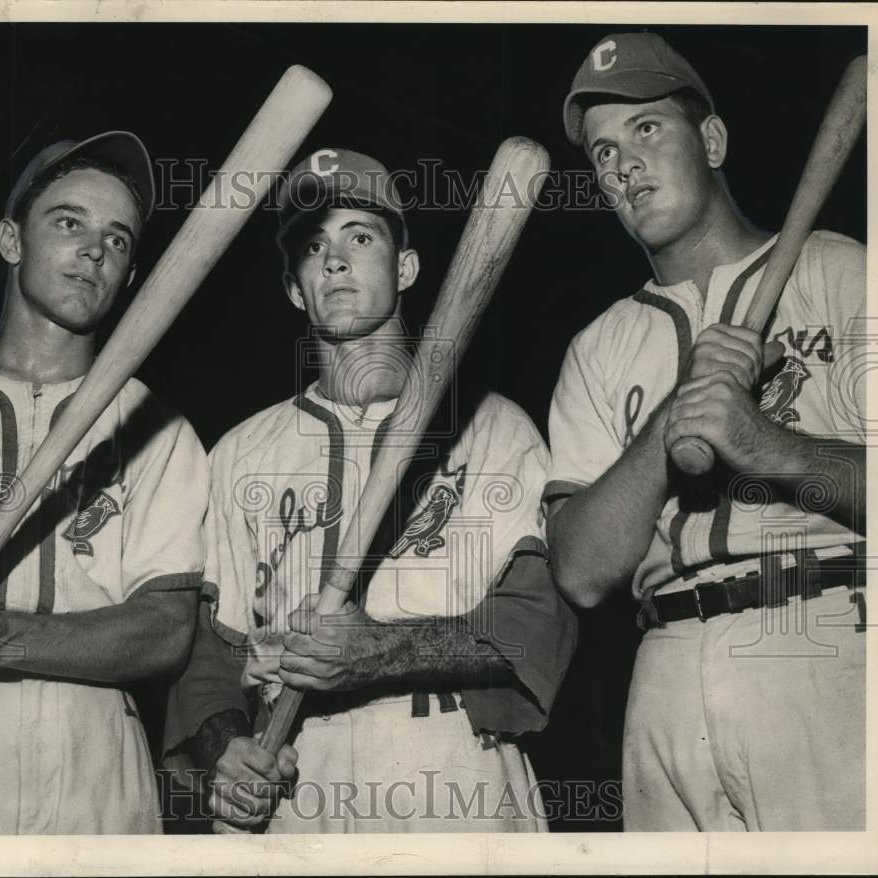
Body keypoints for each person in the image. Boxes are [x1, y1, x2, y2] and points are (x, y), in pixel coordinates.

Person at [162, 148, 577, 833]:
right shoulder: (239, 453)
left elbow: (534, 630)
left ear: (406, 268)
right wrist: (223, 752)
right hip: (296, 769)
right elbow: (210, 652)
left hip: (449, 760)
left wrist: (381, 650)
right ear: (294, 286)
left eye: (361, 236)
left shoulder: (492, 427)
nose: (335, 260)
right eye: (312, 246)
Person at [546, 33, 866, 831]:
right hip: (665, 665)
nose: (622, 165)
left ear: (712, 140)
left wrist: (763, 443)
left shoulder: (841, 273)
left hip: (826, 632)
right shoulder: (598, 345)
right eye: (603, 153)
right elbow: (581, 571)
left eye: (647, 129)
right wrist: (667, 424)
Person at [0, 131, 210, 834]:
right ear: (12, 240)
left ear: (131, 277)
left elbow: (165, 633)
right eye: (68, 221)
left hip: (98, 791)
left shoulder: (157, 428)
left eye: (119, 240)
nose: (95, 249)